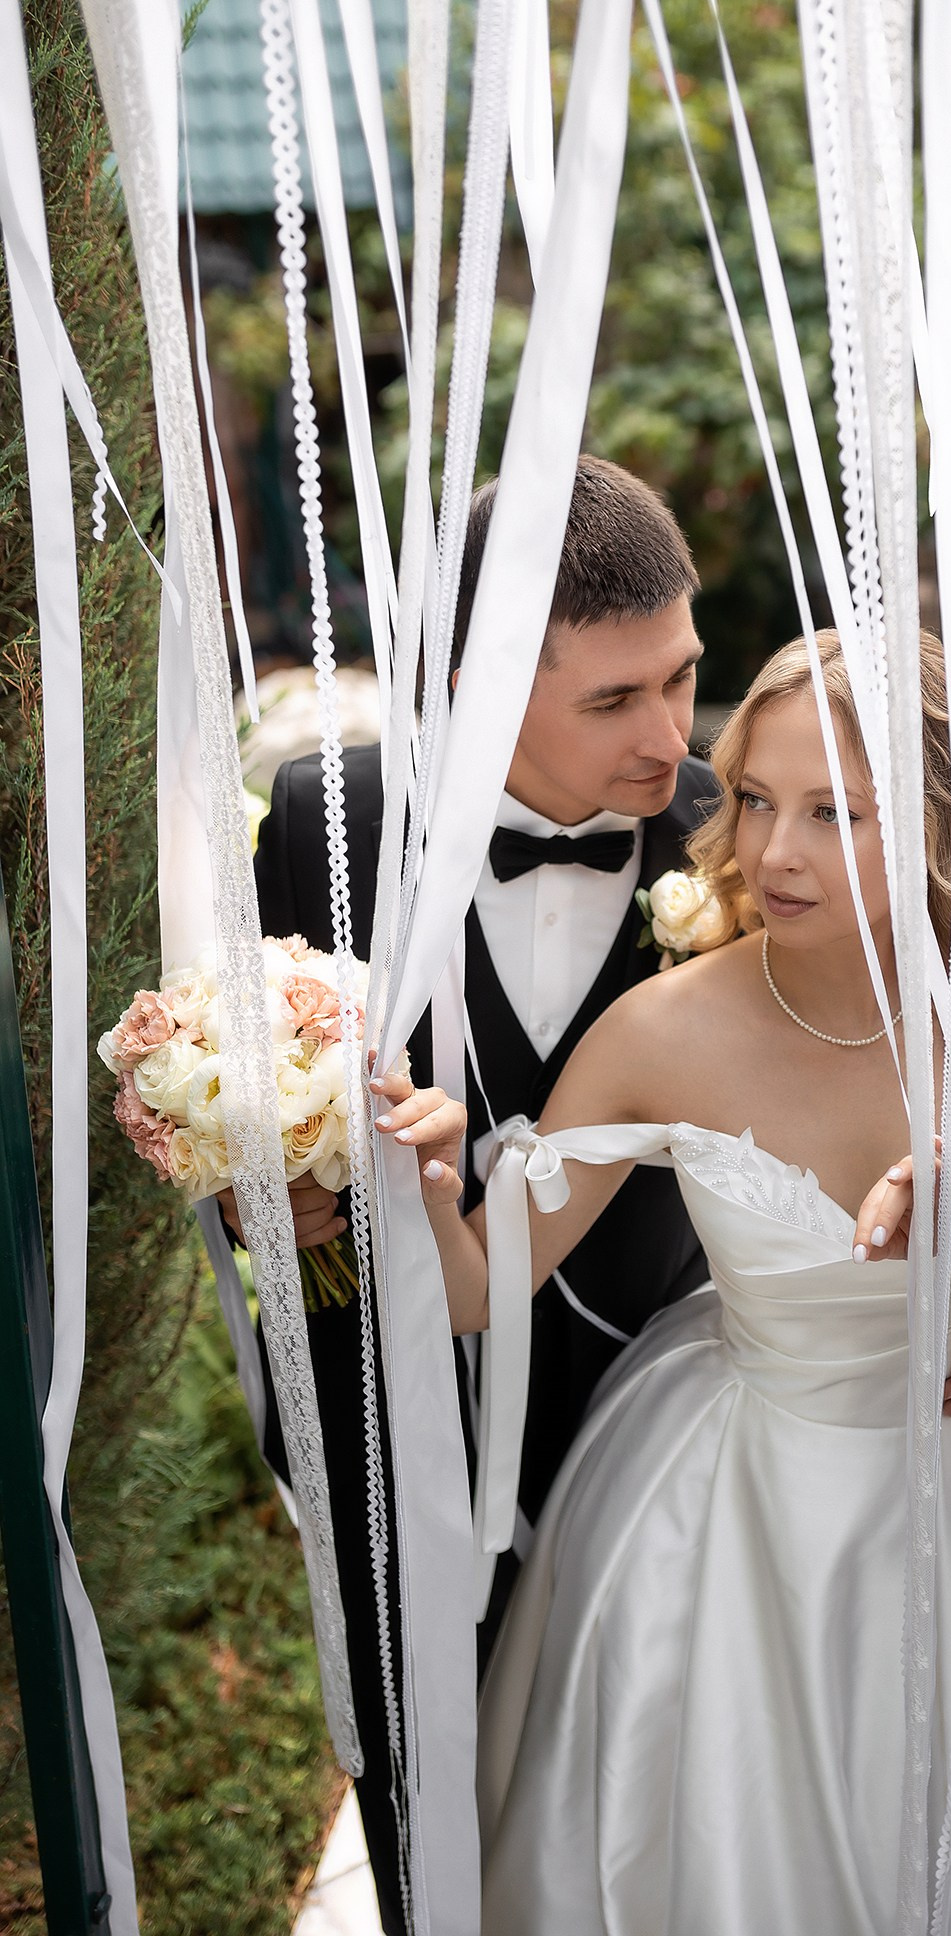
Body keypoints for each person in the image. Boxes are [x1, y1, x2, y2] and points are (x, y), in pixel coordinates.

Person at [373, 628, 951, 1933]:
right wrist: (428, 1181)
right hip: (712, 1523)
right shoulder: (664, 1030)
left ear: (941, 823)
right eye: (757, 800)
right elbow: (478, 1292)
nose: (772, 852)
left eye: (834, 813)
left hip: (939, 1517)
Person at [224, 457, 720, 1935]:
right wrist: (278, 1203)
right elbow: (245, 1108)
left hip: (660, 1422)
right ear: (474, 680)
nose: (668, 738)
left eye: (680, 679)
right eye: (612, 702)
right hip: (394, 1414)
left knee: (640, 1807)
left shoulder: (741, 839)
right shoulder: (324, 820)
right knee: (419, 1777)